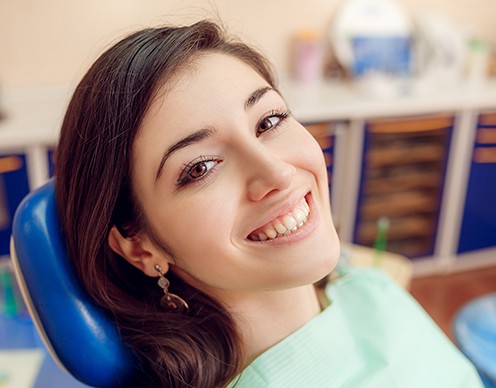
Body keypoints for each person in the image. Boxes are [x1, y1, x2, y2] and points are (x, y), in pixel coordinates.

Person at [55, 20, 483, 387]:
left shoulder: (360, 284)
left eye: (269, 121)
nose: (278, 173)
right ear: (140, 247)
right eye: (201, 167)